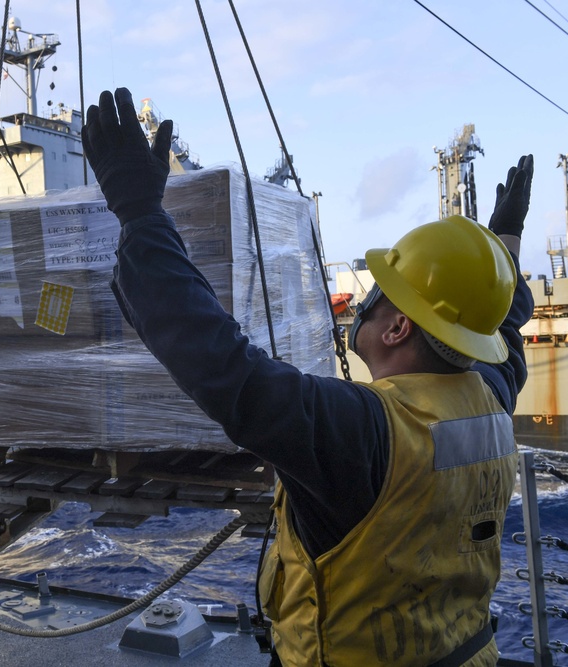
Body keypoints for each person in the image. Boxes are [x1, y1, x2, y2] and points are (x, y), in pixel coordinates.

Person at [83, 88, 534, 666]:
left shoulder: (363, 433)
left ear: (397, 328)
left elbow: (218, 361)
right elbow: (508, 337)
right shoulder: (489, 404)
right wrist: (502, 251)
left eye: (378, 293)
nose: (363, 302)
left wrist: (140, 214)